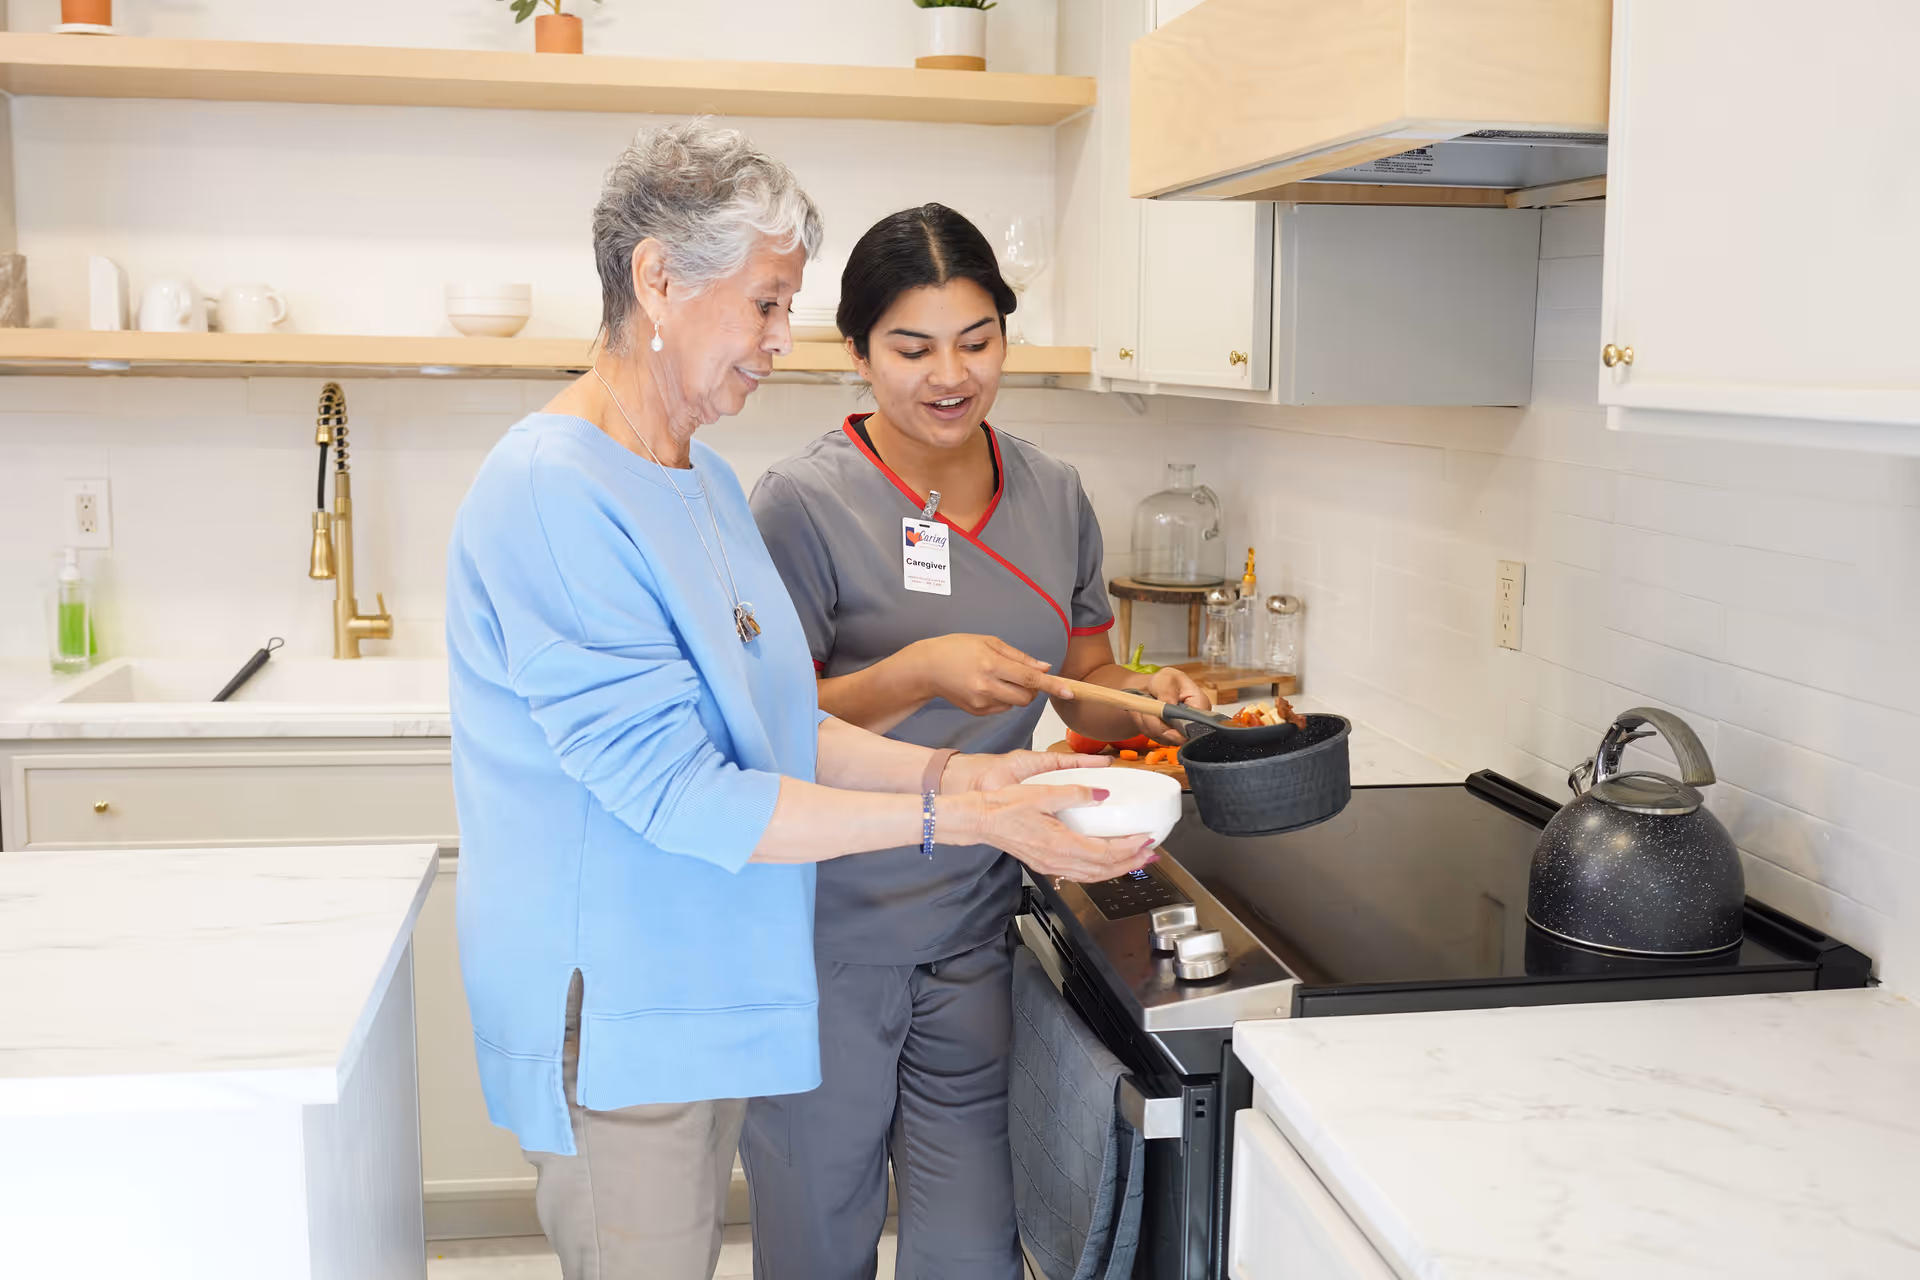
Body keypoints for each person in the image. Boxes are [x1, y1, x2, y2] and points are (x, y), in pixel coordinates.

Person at [445, 130, 1158, 1280]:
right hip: (625, 1004)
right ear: (660, 280)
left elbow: (775, 724)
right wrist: (958, 819)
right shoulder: (552, 489)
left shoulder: (700, 478)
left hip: (713, 977)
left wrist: (961, 776)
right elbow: (682, 790)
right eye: (767, 303)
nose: (783, 341)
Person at [743, 203, 1211, 1280]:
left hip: (976, 924)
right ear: (856, 351)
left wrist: (1143, 698)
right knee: (819, 1238)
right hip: (824, 934)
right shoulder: (802, 506)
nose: (949, 374)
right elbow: (768, 729)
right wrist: (916, 673)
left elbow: (1083, 683)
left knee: (970, 1251)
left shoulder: (1053, 491)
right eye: (911, 347)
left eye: (977, 338)